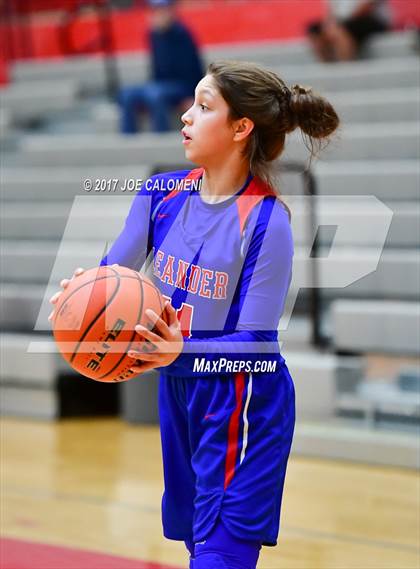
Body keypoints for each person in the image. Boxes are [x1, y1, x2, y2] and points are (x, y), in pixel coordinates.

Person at [50, 61, 339, 568]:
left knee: (217, 557)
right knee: (198, 548)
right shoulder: (159, 196)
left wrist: (179, 350)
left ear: (240, 127)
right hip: (181, 393)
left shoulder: (266, 222)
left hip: (244, 405)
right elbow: (112, 274)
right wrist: (81, 300)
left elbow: (258, 347)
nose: (186, 116)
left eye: (204, 107)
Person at [119, 0, 203, 134]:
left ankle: (160, 138)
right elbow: (156, 68)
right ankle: (127, 142)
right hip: (160, 85)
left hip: (182, 86)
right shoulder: (153, 35)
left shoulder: (183, 34)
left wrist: (193, 95)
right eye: (155, 11)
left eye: (162, 10)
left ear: (172, 12)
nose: (159, 15)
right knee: (126, 94)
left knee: (154, 95)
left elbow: (194, 67)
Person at [306, 0, 392, 62]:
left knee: (340, 31)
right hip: (344, 21)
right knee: (314, 31)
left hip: (371, 19)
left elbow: (367, 7)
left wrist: (339, 24)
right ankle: (327, 65)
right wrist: (330, 25)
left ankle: (346, 64)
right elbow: (330, 13)